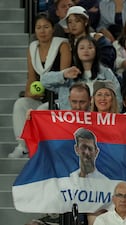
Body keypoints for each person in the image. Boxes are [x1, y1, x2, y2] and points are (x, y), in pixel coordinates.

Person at [9, 13, 71, 158]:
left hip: (58, 97)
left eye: (46, 27)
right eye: (38, 27)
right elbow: (31, 77)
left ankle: (39, 148)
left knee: (41, 110)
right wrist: (30, 94)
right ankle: (22, 146)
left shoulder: (62, 45)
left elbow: (63, 77)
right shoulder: (32, 48)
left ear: (53, 29)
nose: (42, 31)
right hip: (40, 95)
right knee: (20, 104)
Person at [41, 35, 122, 110]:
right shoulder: (70, 73)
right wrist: (63, 74)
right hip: (71, 119)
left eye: (90, 47)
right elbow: (44, 81)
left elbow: (117, 98)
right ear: (76, 52)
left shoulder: (106, 73)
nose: (86, 51)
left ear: (96, 51)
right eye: (82, 48)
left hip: (98, 120)